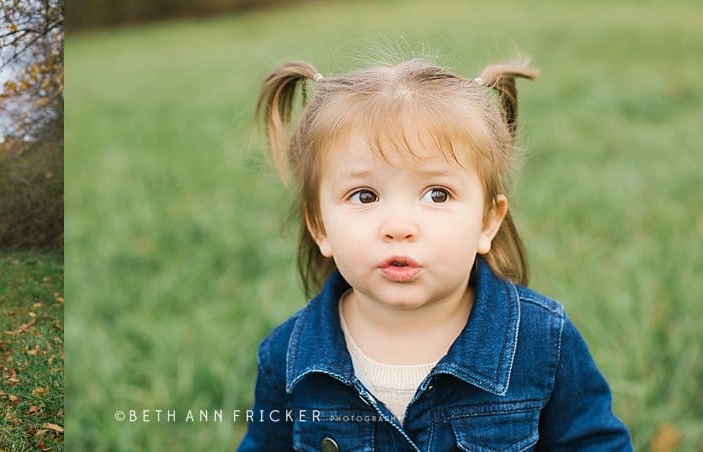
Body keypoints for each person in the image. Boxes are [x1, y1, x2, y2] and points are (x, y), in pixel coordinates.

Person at [238, 58, 632, 450]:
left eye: (437, 194)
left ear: (487, 222)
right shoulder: (288, 358)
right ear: (320, 225)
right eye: (364, 195)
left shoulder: (542, 341)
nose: (398, 226)